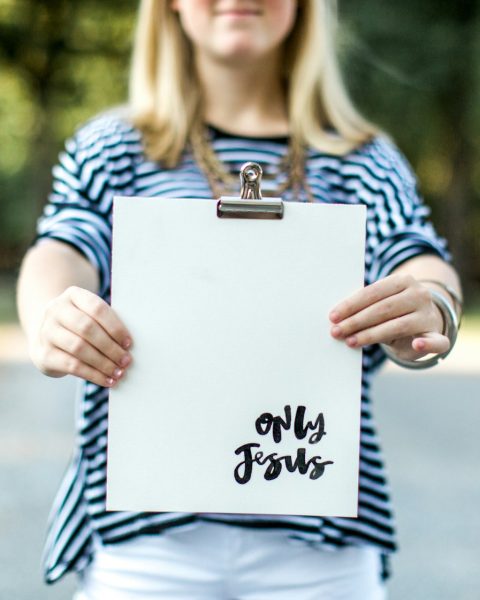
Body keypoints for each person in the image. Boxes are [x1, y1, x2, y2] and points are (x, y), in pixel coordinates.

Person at [17, 1, 462, 598]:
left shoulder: (361, 159)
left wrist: (433, 305)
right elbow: (62, 247)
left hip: (319, 545)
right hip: (144, 540)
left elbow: (417, 256)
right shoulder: (113, 149)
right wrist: (51, 313)